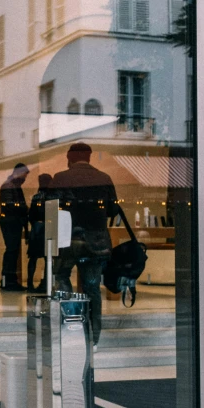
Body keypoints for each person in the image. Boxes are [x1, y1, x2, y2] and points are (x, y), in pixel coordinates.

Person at [47, 143, 118, 351]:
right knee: (92, 288)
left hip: (66, 240)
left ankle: (68, 330)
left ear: (69, 157)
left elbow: (49, 209)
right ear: (89, 157)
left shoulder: (59, 178)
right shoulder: (104, 178)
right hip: (95, 242)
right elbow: (113, 209)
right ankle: (92, 338)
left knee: (61, 279)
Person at [0, 163, 30, 291]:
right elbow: (9, 205)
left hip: (12, 221)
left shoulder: (13, 185)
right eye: (24, 175)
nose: (25, 178)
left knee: (12, 251)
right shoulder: (9, 185)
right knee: (11, 251)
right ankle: (8, 280)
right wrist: (24, 208)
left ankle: (9, 280)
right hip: (10, 222)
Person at [27, 173, 53, 291]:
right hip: (48, 228)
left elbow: (31, 215)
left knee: (33, 258)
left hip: (37, 229)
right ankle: (46, 283)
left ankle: (29, 283)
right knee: (48, 258)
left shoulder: (36, 197)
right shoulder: (52, 197)